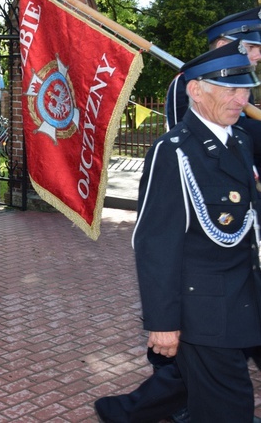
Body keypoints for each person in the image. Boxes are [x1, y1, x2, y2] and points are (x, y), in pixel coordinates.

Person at [95, 39, 261, 422]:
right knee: (230, 406)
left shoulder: (239, 140)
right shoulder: (175, 152)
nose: (242, 98)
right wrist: (163, 323)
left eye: (246, 87)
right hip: (204, 310)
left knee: (199, 392)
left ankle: (122, 413)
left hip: (244, 294)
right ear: (196, 90)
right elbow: (156, 243)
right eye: (231, 88)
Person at [165, 6, 261, 130]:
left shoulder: (244, 83)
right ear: (222, 46)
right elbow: (181, 134)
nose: (258, 56)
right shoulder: (186, 82)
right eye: (251, 47)